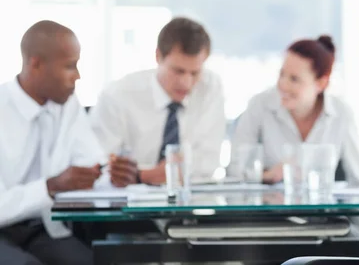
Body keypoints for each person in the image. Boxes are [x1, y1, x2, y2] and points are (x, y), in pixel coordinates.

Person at [0, 20, 106, 265]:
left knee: (91, 261)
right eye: (70, 66)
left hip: (44, 227)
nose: (77, 76)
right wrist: (50, 187)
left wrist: (107, 173)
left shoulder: (67, 105)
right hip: (3, 229)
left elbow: (91, 161)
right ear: (35, 64)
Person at [90, 16, 226, 186]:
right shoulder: (117, 95)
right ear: (158, 56)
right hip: (129, 203)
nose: (186, 83)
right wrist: (154, 175)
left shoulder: (210, 88)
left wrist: (143, 175)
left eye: (194, 73)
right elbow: (97, 166)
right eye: (178, 71)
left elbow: (209, 163)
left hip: (189, 202)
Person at [228, 35, 359, 187]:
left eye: (294, 79)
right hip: (269, 208)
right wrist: (267, 176)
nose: (283, 85)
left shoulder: (341, 114)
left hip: (323, 208)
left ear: (321, 83)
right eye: (281, 74)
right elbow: (234, 171)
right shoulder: (260, 105)